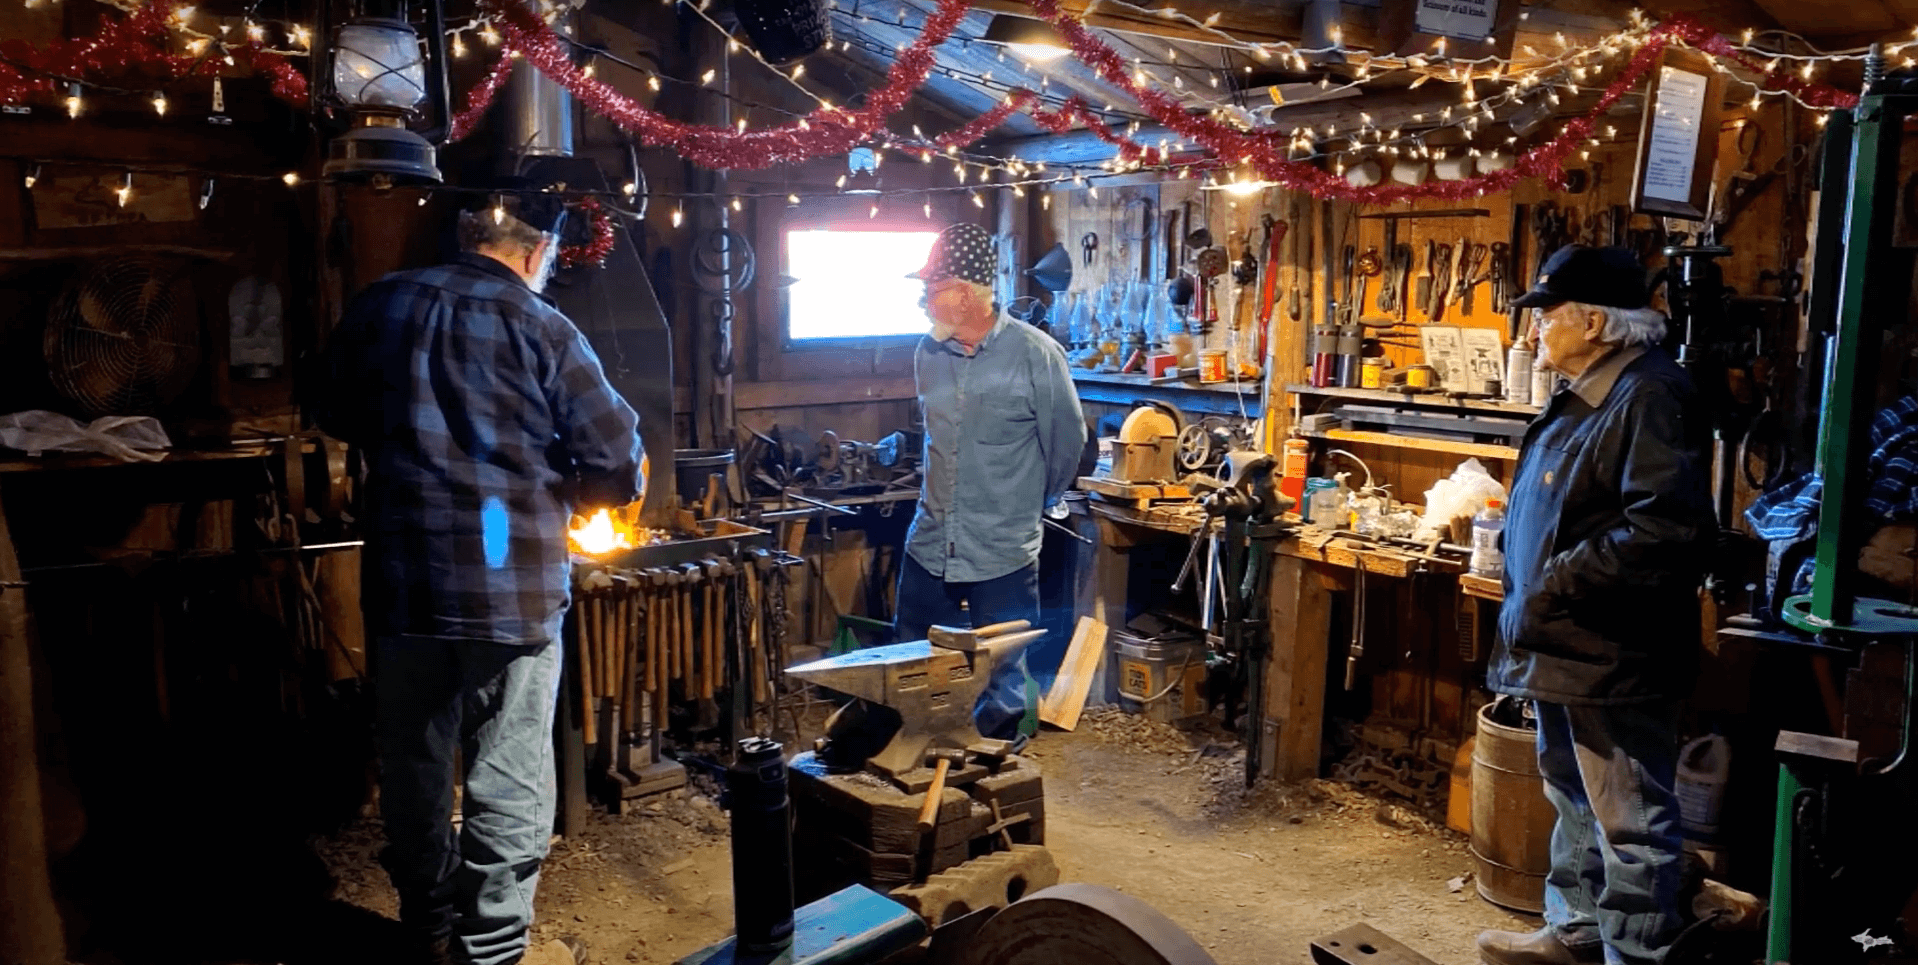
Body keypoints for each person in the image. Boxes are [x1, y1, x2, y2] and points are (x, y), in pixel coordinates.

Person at [314, 181, 643, 965]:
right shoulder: (543, 324)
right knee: (508, 766)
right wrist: (586, 486)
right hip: (514, 591)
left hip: (404, 582)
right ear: (537, 252)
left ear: (470, 238)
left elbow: (329, 408)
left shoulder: (381, 304)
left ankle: (427, 925)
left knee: (415, 761)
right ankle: (491, 948)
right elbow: (614, 455)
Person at [1477, 245, 1716, 965]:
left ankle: (1634, 954)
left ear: (1594, 320)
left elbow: (1664, 531)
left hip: (1613, 652)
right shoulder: (1588, 390)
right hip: (1564, 646)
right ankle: (1578, 933)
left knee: (1631, 822)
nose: (1535, 331)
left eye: (1546, 315)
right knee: (1574, 801)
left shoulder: (1648, 394)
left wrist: (1554, 582)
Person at [895, 222, 1087, 741]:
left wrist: (1027, 506)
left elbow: (1067, 445)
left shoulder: (1036, 355)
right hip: (931, 539)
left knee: (1003, 675)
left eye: (933, 290)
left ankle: (996, 773)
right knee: (912, 659)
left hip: (1002, 546)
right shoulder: (927, 355)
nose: (924, 301)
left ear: (968, 292)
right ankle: (922, 755)